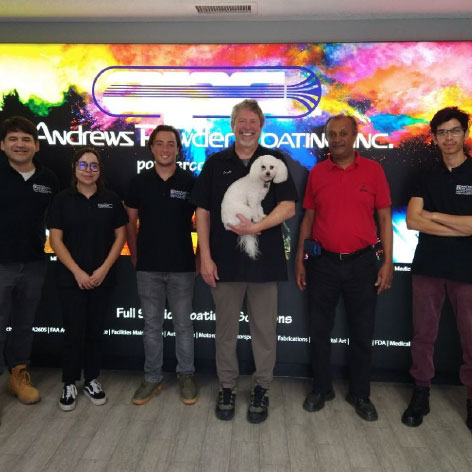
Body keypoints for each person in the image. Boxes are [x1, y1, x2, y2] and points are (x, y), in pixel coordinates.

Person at [191, 99, 297, 423]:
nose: (247, 127)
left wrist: (256, 226)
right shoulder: (215, 164)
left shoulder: (274, 161)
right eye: (241, 121)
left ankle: (262, 388)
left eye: (253, 121)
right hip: (224, 263)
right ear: (232, 125)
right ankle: (227, 386)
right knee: (225, 332)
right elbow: (203, 213)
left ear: (261, 126)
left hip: (265, 265)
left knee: (264, 331)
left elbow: (289, 207)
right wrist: (205, 257)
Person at [295, 114, 393, 422]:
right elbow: (308, 219)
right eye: (332, 134)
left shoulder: (374, 171)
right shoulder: (317, 173)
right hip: (322, 263)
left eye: (342, 133)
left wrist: (387, 261)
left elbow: (385, 219)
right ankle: (321, 388)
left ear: (354, 136)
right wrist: (300, 259)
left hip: (362, 263)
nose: (336, 139)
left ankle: (360, 393)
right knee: (319, 330)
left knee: (362, 333)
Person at [402, 106, 472, 431]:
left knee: (470, 338)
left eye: (454, 130)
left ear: (464, 134)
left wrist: (436, 216)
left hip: (467, 270)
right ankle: (421, 393)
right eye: (442, 132)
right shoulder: (424, 175)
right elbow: (414, 220)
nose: (448, 137)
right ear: (434, 137)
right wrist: (456, 224)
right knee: (423, 335)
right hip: (428, 266)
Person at [48, 147, 127, 411]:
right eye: (83, 165)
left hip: (102, 277)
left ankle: (92, 379)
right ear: (74, 168)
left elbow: (120, 237)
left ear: (100, 171)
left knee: (95, 331)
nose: (88, 170)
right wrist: (77, 272)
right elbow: (55, 240)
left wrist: (104, 269)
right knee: (74, 332)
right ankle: (69, 382)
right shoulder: (62, 200)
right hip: (71, 279)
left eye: (94, 166)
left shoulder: (112, 199)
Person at [126, 124, 198, 406]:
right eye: (160, 143)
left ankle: (186, 375)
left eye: (171, 143)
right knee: (152, 326)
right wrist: (134, 254)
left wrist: (201, 254)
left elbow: (203, 221)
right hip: (149, 267)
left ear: (178, 149)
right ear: (152, 147)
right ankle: (152, 377)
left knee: (183, 325)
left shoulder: (189, 180)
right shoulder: (139, 182)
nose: (165, 148)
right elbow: (129, 221)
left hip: (182, 265)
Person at [0, 116, 58, 405]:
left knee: (24, 323)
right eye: (13, 139)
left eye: (26, 139)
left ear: (36, 145)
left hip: (34, 263)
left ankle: (18, 375)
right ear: (2, 144)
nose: (19, 144)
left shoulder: (47, 179)